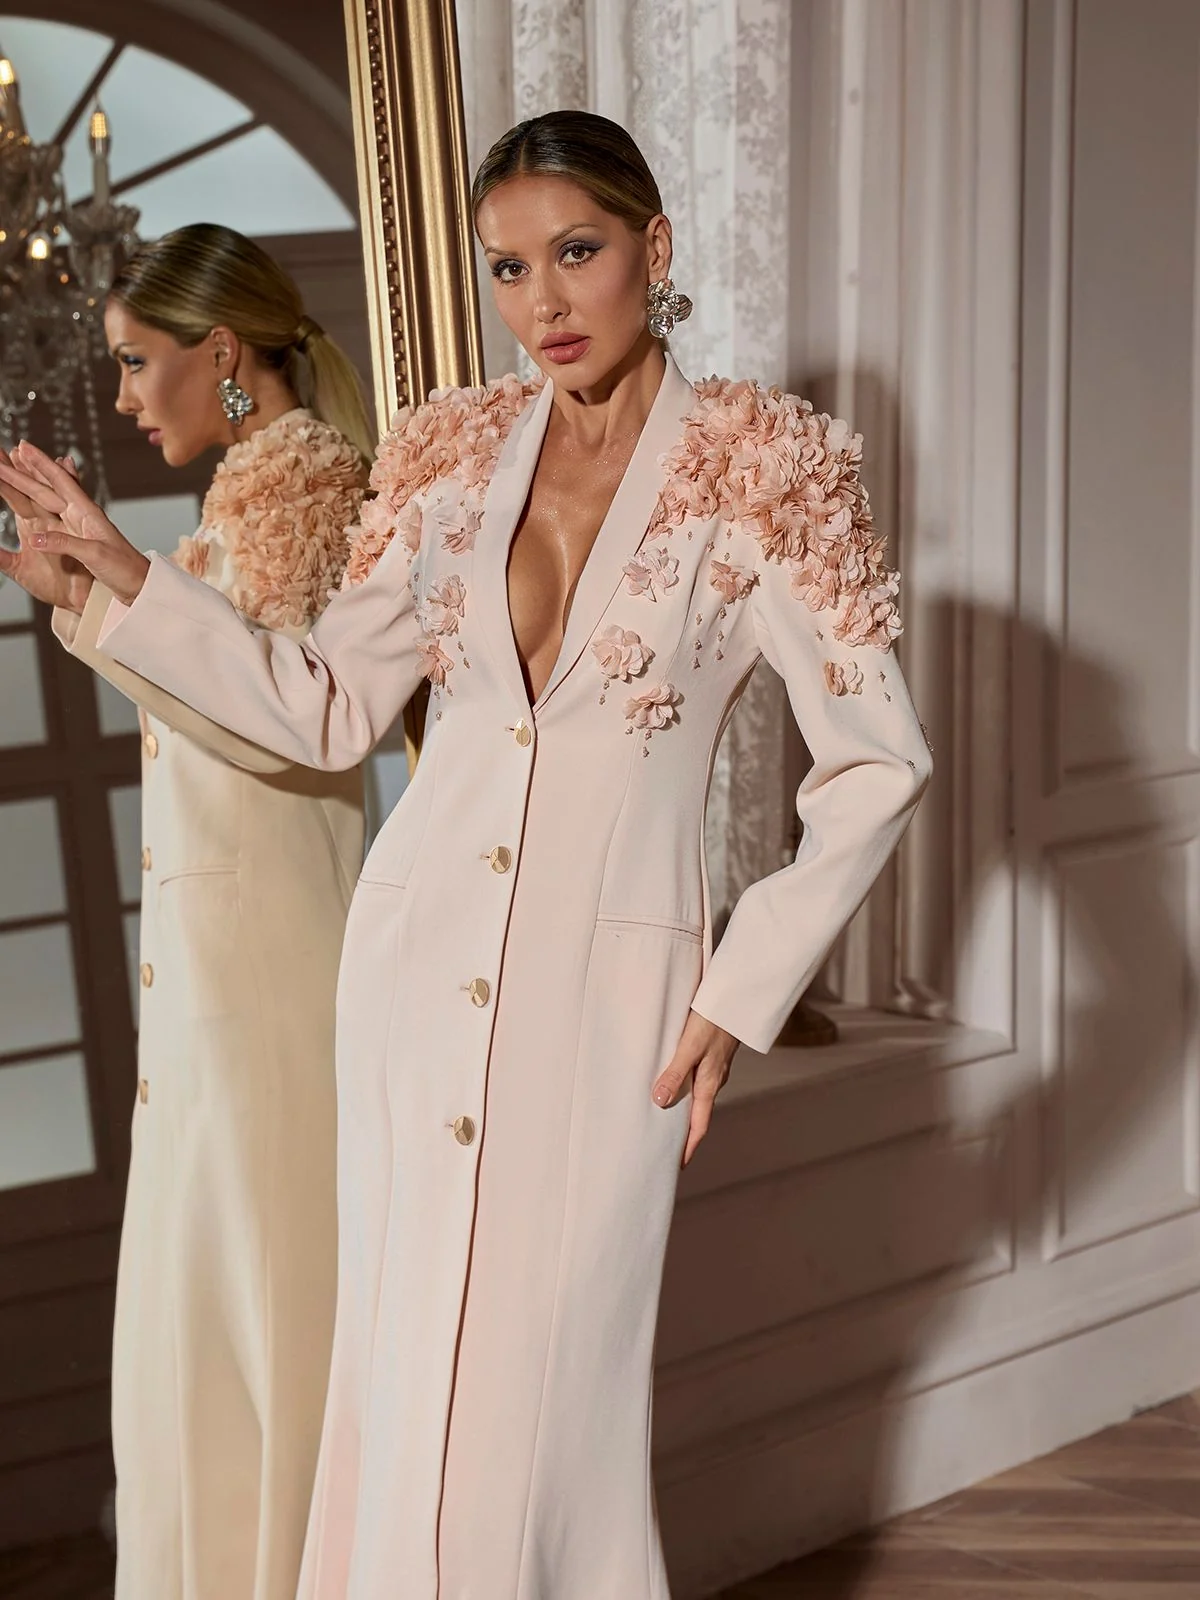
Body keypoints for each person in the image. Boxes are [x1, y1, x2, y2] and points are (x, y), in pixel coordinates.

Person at [0, 116, 932, 1600]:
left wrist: (736, 990)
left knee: (546, 1416)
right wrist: (123, 580)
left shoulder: (766, 467)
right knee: (399, 1387)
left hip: (608, 1004)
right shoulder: (451, 456)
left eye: (578, 251)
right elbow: (323, 708)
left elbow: (879, 760)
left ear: (655, 249)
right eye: (508, 267)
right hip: (409, 962)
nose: (542, 302)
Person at [0, 224, 371, 1600]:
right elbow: (230, 710)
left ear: (220, 353)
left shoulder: (302, 480)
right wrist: (89, 602)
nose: (122, 397)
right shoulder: (247, 492)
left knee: (263, 1308)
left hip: (271, 968)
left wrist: (120, 579)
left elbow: (290, 728)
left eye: (135, 362)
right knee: (215, 1311)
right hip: (228, 969)